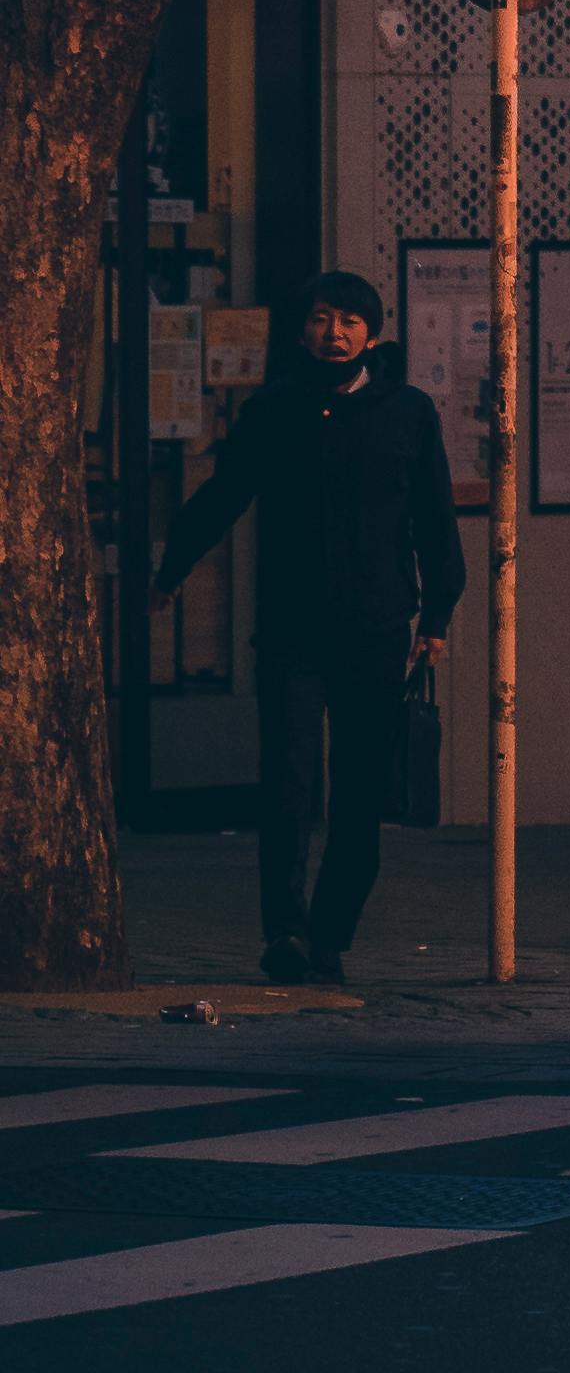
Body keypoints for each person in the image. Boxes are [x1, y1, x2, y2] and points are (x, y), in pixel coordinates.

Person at [152, 268, 463, 992]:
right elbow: (224, 493)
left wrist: (437, 614)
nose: (336, 333)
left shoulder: (408, 414)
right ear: (302, 330)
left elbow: (434, 519)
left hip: (378, 629)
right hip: (290, 630)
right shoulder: (274, 413)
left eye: (350, 321)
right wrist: (172, 570)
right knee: (286, 785)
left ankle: (330, 935)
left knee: (359, 793)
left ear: (373, 335)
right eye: (322, 319)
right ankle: (284, 931)